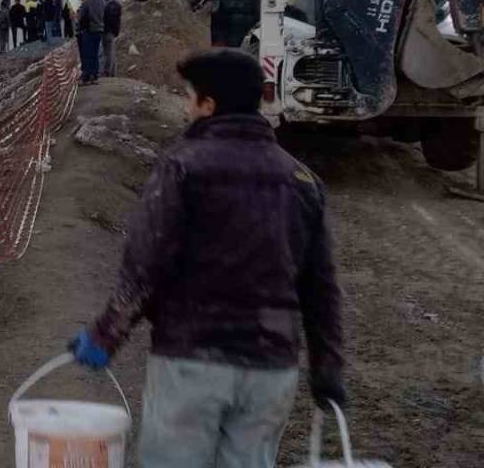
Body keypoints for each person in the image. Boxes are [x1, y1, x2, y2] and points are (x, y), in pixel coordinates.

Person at [67, 49, 345, 468]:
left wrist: (106, 335)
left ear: (209, 105)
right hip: (271, 371)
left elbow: (145, 265)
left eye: (189, 96)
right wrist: (327, 367)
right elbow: (321, 287)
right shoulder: (302, 180)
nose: (185, 106)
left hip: (192, 361)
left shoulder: (183, 167)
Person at [76, 0, 105, 85]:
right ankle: (94, 76)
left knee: (87, 54)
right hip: (99, 31)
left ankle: (86, 77)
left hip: (88, 31)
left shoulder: (86, 3)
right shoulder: (102, 2)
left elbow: (80, 17)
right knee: (95, 54)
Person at [102, 0, 121, 77]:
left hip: (107, 31)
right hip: (113, 31)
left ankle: (107, 72)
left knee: (108, 53)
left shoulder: (109, 5)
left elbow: (108, 19)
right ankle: (112, 72)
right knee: (111, 52)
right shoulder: (117, 3)